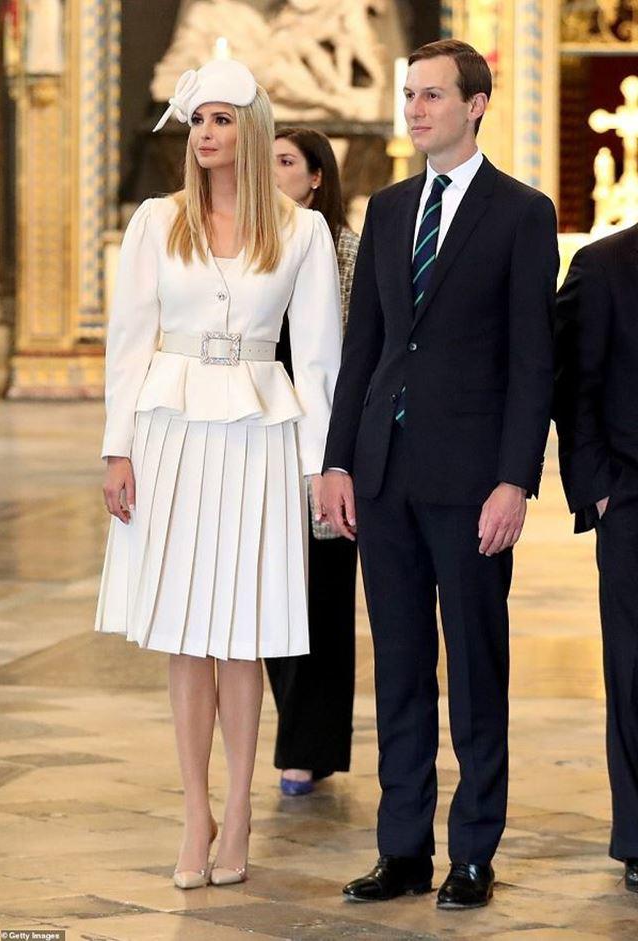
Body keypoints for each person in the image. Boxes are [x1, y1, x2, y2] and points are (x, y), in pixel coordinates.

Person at [321, 39, 558, 909]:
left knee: (477, 670)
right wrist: (337, 458)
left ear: (476, 104)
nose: (415, 109)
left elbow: (534, 361)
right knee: (400, 668)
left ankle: (473, 853)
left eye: (431, 95)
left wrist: (515, 480)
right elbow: (364, 347)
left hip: (471, 483)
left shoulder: (522, 213)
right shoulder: (388, 208)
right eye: (410, 95)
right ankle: (403, 849)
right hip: (383, 475)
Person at [94, 59, 342, 890]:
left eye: (221, 119)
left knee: (243, 629)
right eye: (197, 120)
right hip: (169, 431)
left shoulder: (301, 231)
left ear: (253, 128)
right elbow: (129, 340)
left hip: (260, 437)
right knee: (184, 630)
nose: (204, 133)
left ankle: (238, 809)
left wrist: (321, 469)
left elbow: (319, 361)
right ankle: (194, 810)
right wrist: (117, 448)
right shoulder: (156, 221)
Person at [265, 128, 359, 797]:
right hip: (258, 440)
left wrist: (340, 455)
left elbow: (350, 354)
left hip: (323, 441)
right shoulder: (252, 246)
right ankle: (303, 737)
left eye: (286, 162)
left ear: (317, 176)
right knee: (267, 593)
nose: (272, 172)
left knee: (322, 597)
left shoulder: (344, 248)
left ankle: (307, 746)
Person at [554, 226, 638, 895]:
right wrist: (602, 489)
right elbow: (571, 385)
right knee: (635, 670)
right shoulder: (603, 264)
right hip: (634, 497)